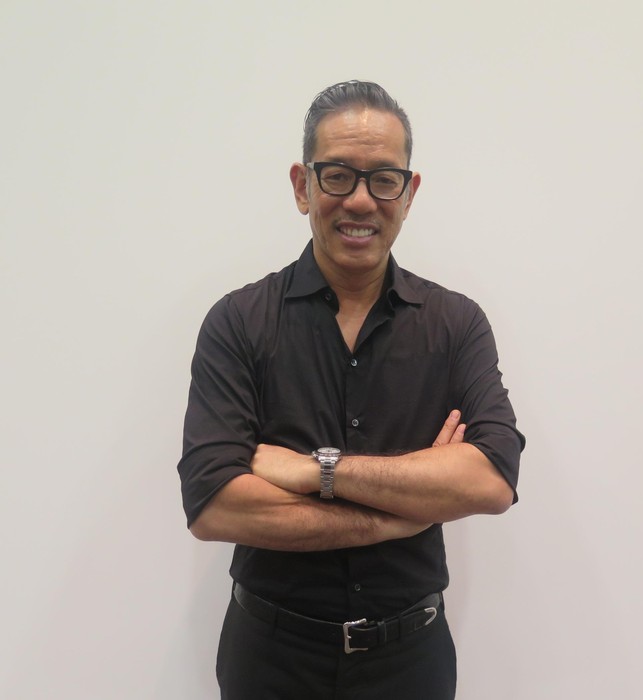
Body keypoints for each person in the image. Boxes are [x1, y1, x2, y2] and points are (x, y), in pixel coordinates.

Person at [177, 80, 525, 700]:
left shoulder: (456, 325)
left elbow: (492, 481)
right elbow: (215, 507)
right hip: (269, 660)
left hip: (411, 662)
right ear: (302, 186)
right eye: (337, 175)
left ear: (409, 193)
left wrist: (316, 471)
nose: (361, 200)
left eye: (384, 179)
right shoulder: (238, 322)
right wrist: (402, 511)